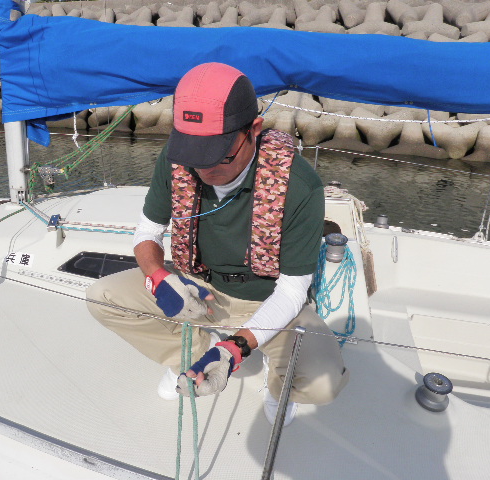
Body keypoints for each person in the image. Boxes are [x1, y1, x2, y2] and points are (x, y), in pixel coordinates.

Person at [86, 62, 348, 426]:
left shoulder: (300, 185)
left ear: (253, 130)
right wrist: (159, 278)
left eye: (219, 153)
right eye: (194, 154)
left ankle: (277, 384)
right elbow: (147, 232)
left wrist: (235, 348)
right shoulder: (177, 161)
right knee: (102, 298)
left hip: (268, 298)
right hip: (198, 287)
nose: (205, 169)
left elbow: (291, 291)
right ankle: (192, 354)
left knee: (323, 384)